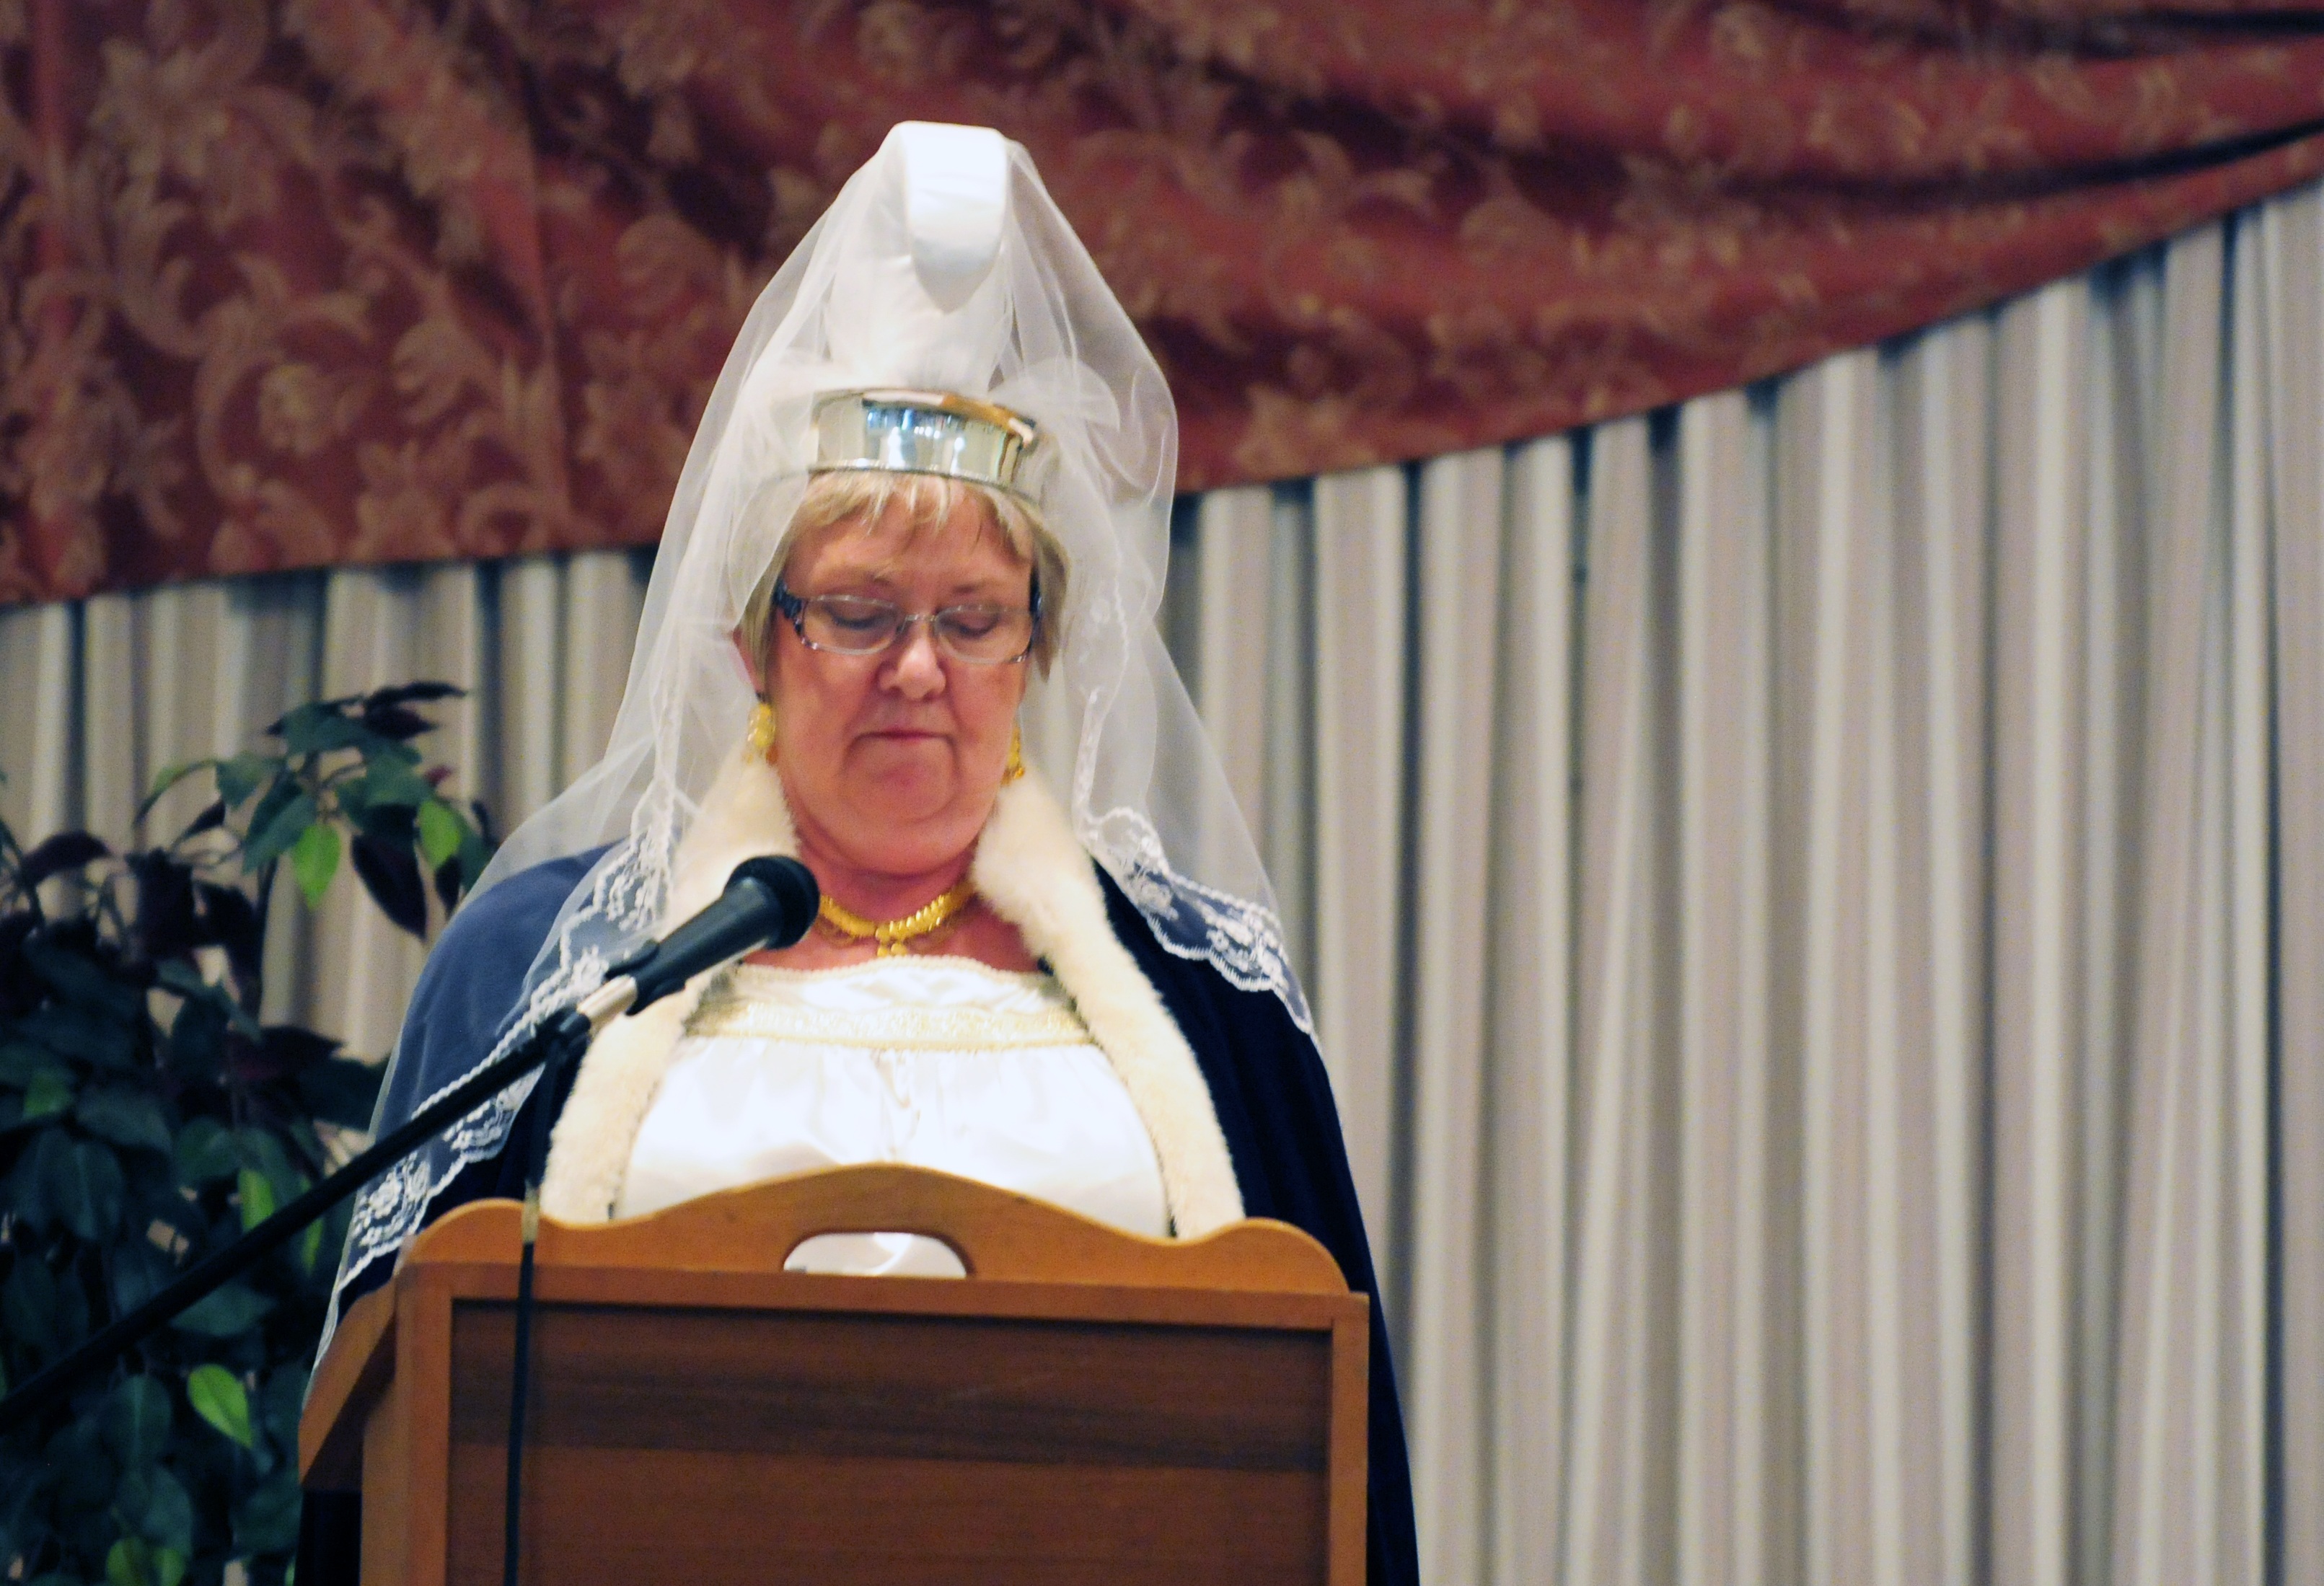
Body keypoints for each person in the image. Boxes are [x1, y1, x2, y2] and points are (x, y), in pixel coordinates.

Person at [298, 122, 1419, 1585]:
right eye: (859, 610)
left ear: (1037, 649)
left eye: (971, 618)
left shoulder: (1215, 1003)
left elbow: (1334, 1475)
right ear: (754, 643)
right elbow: (385, 1462)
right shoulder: (549, 971)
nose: (917, 670)